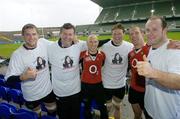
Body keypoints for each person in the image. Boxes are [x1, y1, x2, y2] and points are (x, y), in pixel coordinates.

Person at [5, 24, 57, 117]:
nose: (31, 37)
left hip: (47, 90)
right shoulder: (17, 54)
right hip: (31, 95)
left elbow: (58, 45)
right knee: (36, 115)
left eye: (34, 34)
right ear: (23, 36)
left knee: (52, 110)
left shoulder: (43, 43)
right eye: (28, 34)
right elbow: (8, 79)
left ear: (38, 35)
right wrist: (23, 77)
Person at [136, 16, 180, 119]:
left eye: (154, 29)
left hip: (166, 115)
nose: (149, 33)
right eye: (147, 30)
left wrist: (152, 73)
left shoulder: (175, 50)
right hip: (149, 109)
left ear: (164, 30)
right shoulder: (152, 46)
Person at [48, 23, 87, 119]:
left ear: (74, 35)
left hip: (75, 90)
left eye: (70, 34)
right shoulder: (50, 47)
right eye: (65, 34)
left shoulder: (79, 45)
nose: (67, 37)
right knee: (63, 116)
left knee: (75, 116)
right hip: (59, 92)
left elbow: (95, 42)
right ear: (60, 34)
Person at [101, 23, 134, 119]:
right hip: (106, 84)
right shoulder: (105, 46)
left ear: (124, 33)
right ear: (112, 34)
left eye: (119, 33)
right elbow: (90, 46)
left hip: (120, 84)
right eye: (114, 34)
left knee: (117, 107)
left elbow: (144, 47)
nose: (117, 36)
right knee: (107, 107)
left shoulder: (129, 46)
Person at [80, 34, 108, 119]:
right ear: (87, 43)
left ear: (98, 43)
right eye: (90, 41)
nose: (93, 44)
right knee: (87, 107)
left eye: (95, 41)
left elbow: (102, 65)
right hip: (85, 85)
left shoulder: (102, 55)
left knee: (103, 107)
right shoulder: (82, 55)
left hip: (98, 85)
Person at [128, 26, 150, 119]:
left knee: (149, 116)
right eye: (131, 34)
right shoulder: (130, 53)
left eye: (136, 33)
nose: (133, 36)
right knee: (137, 115)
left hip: (148, 92)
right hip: (133, 89)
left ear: (143, 34)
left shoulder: (150, 50)